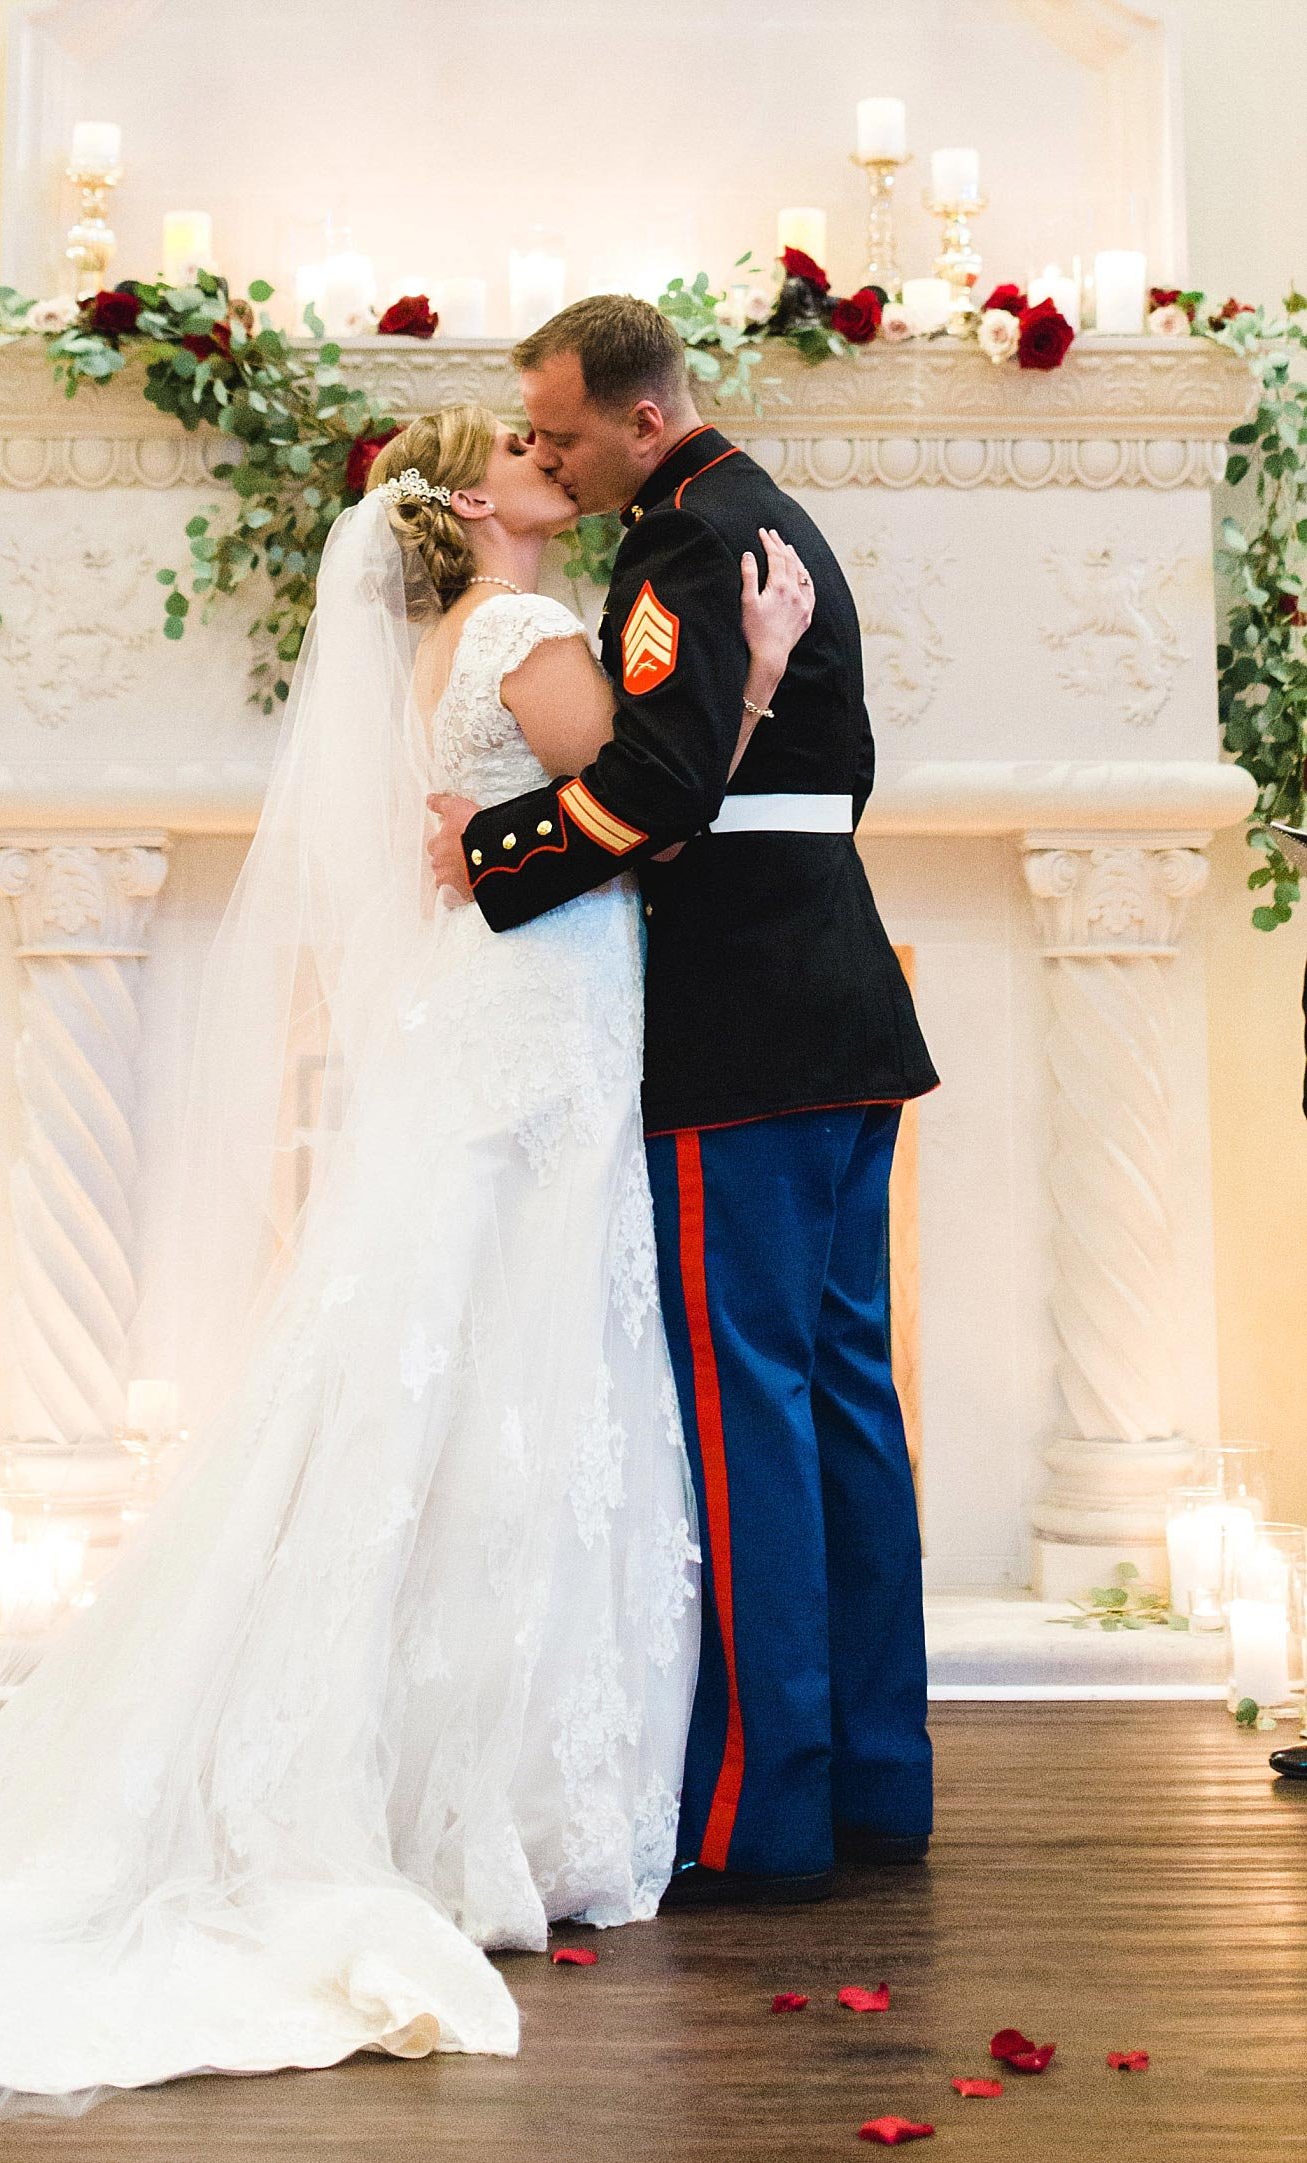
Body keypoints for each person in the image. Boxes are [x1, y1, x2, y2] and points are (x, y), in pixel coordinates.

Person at [0, 403, 813, 2123]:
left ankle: (429, 1759)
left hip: (503, 1018)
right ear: (471, 504)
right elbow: (663, 803)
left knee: (446, 1358)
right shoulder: (523, 632)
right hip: (533, 1034)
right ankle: (470, 1790)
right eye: (521, 457)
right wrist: (765, 666)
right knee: (507, 1358)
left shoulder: (445, 643)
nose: (549, 472)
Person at [428, 297, 941, 1906]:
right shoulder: (758, 516)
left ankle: (761, 1810)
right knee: (843, 1393)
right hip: (839, 1007)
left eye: (566, 431)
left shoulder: (685, 543)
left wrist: (490, 856)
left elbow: (659, 785)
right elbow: (829, 776)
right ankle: (873, 1781)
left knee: (751, 1409)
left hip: (743, 1029)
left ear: (643, 420)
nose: (551, 456)